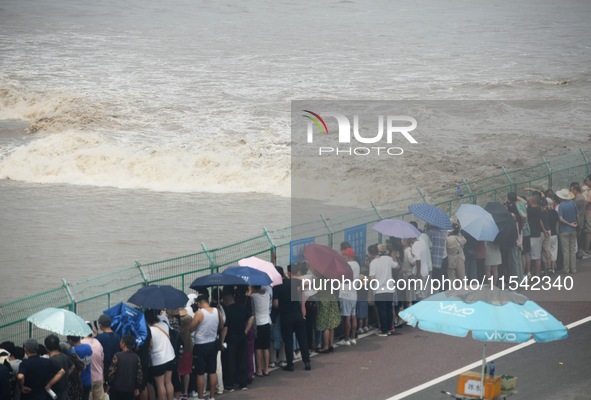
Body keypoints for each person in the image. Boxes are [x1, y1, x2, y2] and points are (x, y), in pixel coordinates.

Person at [272, 264, 311, 371]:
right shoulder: (293, 282)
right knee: (302, 339)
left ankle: (290, 364)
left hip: (286, 316)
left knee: (288, 341)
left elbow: (276, 304)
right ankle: (307, 362)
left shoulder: (277, 287)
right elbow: (307, 283)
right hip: (298, 315)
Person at [189, 295, 223, 400]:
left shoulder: (199, 313)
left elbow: (191, 328)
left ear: (199, 303)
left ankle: (200, 397)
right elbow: (221, 325)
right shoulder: (217, 311)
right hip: (212, 343)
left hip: (200, 345)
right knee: (212, 371)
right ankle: (212, 396)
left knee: (200, 373)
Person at [221, 288, 252, 391]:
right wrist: (246, 330)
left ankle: (230, 384)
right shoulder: (242, 307)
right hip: (242, 336)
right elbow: (251, 317)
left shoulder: (227, 311)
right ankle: (243, 383)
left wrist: (222, 340)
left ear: (226, 300)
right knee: (242, 359)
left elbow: (225, 327)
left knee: (231, 361)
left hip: (231, 338)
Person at [144, 310, 175, 400]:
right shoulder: (164, 325)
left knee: (160, 385)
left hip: (159, 359)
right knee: (168, 382)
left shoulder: (149, 330)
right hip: (170, 356)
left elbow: (151, 345)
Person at [368, 244, 397, 337]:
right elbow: (397, 266)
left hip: (379, 290)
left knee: (382, 311)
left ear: (370, 253)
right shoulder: (387, 259)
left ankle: (383, 330)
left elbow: (372, 278)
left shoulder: (373, 263)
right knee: (388, 309)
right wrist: (393, 257)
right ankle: (389, 328)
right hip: (390, 288)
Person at [107, 335, 143, 400]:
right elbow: (139, 375)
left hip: (116, 388)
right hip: (130, 389)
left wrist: (109, 383)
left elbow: (111, 372)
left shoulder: (117, 356)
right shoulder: (136, 357)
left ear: (123, 344)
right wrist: (137, 387)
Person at [337, 248, 359, 346]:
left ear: (349, 256)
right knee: (353, 316)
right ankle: (353, 337)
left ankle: (346, 339)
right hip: (354, 293)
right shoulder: (357, 264)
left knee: (346, 318)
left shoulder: (347, 265)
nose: (343, 257)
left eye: (344, 255)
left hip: (346, 293)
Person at [251, 285, 272, 377]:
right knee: (266, 347)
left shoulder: (253, 296)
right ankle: (266, 368)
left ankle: (259, 369)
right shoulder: (267, 294)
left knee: (258, 347)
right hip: (267, 322)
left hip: (258, 324)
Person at [556, 188, 578, 274]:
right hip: (573, 229)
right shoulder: (573, 203)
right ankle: (574, 268)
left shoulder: (561, 205)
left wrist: (568, 224)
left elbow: (560, 218)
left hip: (564, 230)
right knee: (572, 250)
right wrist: (575, 224)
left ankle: (566, 269)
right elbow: (578, 215)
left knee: (565, 251)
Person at [95, 314, 120, 387]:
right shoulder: (117, 336)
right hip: (116, 367)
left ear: (100, 325)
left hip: (104, 369)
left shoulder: (98, 338)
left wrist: (96, 335)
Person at [44, 335, 71, 400]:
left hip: (54, 391)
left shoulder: (50, 360)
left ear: (46, 347)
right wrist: (66, 374)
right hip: (65, 389)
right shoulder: (64, 356)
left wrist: (49, 384)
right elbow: (72, 366)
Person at [81, 329, 104, 400]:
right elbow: (102, 360)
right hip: (99, 376)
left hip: (87, 379)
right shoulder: (97, 342)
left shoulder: (81, 343)